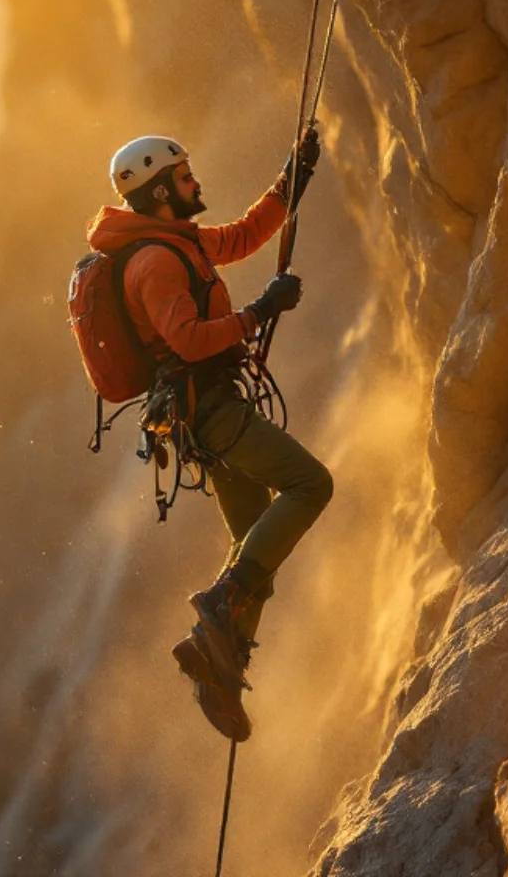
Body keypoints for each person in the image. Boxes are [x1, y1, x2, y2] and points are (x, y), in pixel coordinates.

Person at [85, 131, 332, 741]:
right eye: (186, 175)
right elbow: (190, 338)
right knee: (309, 485)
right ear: (162, 188)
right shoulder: (155, 263)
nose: (196, 182)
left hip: (201, 415)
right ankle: (221, 608)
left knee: (257, 547)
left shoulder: (176, 242)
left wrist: (289, 182)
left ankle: (217, 667)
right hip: (211, 410)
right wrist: (260, 312)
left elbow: (243, 237)